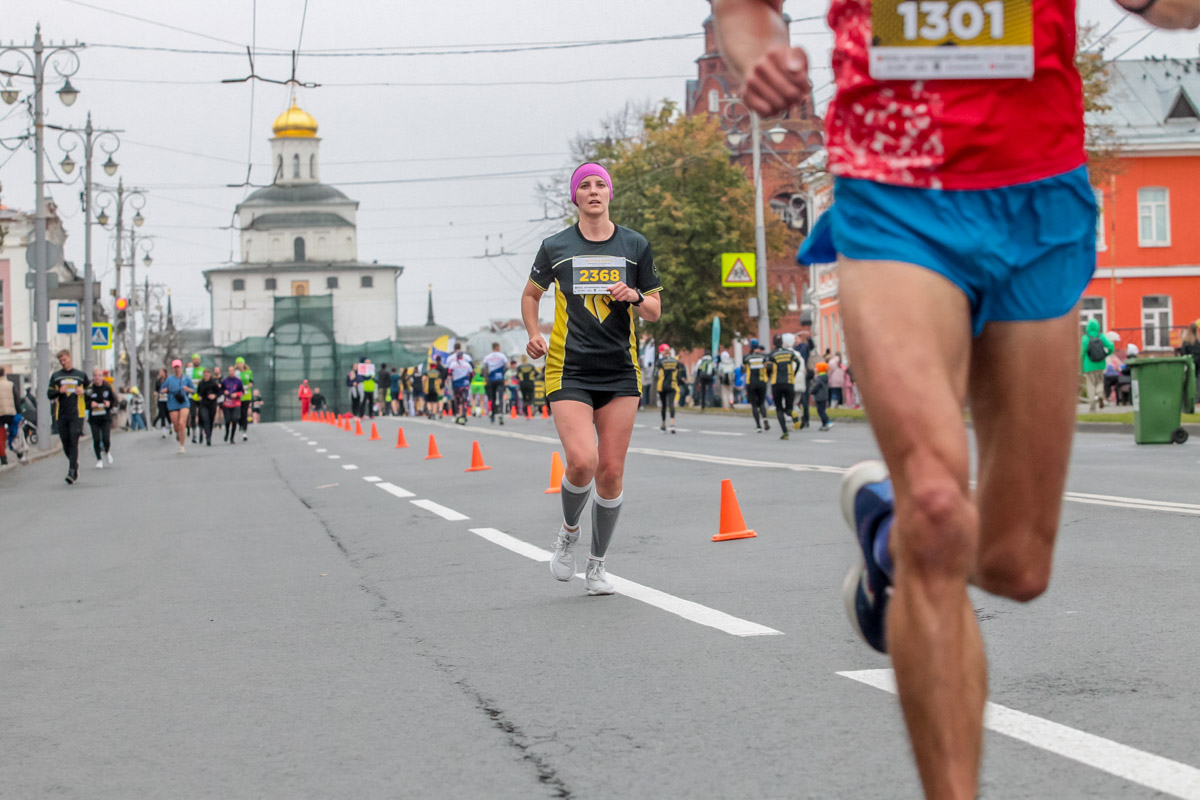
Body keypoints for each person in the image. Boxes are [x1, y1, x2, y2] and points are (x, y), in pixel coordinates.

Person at [712, 1, 1199, 796]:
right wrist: (762, 49)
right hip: (894, 195)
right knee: (939, 508)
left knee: (1015, 564)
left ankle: (886, 534)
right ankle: (913, 533)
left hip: (1037, 198)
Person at [522, 161, 663, 596]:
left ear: (610, 194)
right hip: (569, 368)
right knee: (582, 461)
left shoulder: (634, 245)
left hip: (620, 369)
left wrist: (635, 295)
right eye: (585, 185)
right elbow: (531, 295)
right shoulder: (556, 246)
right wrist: (533, 333)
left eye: (601, 184)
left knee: (611, 471)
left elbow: (654, 309)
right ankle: (568, 534)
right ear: (576, 197)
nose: (594, 190)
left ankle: (597, 565)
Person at [47, 349, 89, 484]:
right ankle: (74, 463)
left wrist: (84, 391)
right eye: (60, 361)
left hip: (77, 413)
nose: (62, 363)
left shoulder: (80, 375)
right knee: (65, 442)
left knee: (74, 439)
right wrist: (59, 391)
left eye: (64, 360)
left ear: (70, 357)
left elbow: (92, 390)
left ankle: (71, 471)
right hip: (61, 414)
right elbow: (49, 394)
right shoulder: (56, 376)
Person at [767, 334, 800, 440]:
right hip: (789, 382)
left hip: (776, 384)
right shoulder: (790, 353)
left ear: (773, 343)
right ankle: (792, 413)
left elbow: (768, 366)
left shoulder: (772, 354)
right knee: (788, 408)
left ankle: (785, 433)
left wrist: (769, 375)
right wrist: (794, 373)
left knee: (779, 409)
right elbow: (798, 362)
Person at [85, 366, 117, 469]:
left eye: (99, 376)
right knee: (96, 439)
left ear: (102, 377)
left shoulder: (107, 387)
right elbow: (85, 402)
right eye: (95, 376)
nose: (97, 378)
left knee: (106, 438)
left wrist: (109, 403)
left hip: (105, 417)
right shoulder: (90, 389)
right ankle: (99, 459)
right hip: (94, 418)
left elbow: (114, 401)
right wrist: (91, 404)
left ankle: (107, 452)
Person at [161, 359, 194, 454]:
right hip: (173, 403)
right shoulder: (169, 379)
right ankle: (177, 432)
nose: (176, 369)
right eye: (175, 367)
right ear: (173, 368)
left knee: (182, 423)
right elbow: (162, 389)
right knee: (176, 425)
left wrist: (188, 389)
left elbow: (193, 390)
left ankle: (182, 446)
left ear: (181, 367)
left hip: (184, 403)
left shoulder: (186, 378)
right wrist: (165, 390)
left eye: (178, 367)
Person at [1081, 320, 1114, 412]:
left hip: (1088, 366)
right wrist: (1106, 354)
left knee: (1090, 385)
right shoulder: (1101, 336)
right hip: (1100, 365)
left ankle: (1092, 406)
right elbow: (1111, 347)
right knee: (1100, 382)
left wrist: (1081, 368)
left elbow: (1082, 353)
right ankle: (1100, 394)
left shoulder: (1085, 338)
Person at [743, 340, 771, 433]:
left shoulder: (747, 357)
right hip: (762, 382)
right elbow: (769, 367)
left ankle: (758, 426)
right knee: (762, 403)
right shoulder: (764, 357)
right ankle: (765, 418)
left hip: (750, 382)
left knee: (754, 405)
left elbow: (743, 369)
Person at [655, 344, 681, 433]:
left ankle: (663, 424)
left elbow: (656, 373)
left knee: (663, 405)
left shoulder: (660, 361)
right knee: (671, 404)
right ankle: (672, 424)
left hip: (662, 386)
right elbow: (678, 372)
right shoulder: (675, 361)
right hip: (672, 385)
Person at [481, 342, 508, 425]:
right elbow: (506, 366)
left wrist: (486, 377)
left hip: (491, 379)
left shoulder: (487, 357)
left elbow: (484, 368)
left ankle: (492, 415)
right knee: (500, 397)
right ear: (498, 347)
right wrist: (503, 372)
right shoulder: (502, 356)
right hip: (500, 378)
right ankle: (500, 413)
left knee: (492, 398)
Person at [446, 344, 474, 424]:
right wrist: (469, 381)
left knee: (457, 401)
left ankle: (458, 414)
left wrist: (450, 382)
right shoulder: (467, 363)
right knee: (464, 400)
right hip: (465, 384)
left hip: (456, 385)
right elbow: (472, 373)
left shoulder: (452, 363)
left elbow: (449, 374)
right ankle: (464, 415)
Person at [196, 368, 221, 446]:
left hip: (212, 404)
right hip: (203, 404)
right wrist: (199, 396)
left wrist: (214, 396)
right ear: (203, 375)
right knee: (205, 419)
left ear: (210, 375)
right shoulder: (201, 383)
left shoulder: (213, 383)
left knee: (210, 420)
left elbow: (219, 392)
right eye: (205, 375)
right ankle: (208, 438)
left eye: (207, 375)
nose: (206, 376)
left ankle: (209, 435)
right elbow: (198, 392)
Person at [0, 366, 19, 466]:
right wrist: (19, 412)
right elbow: (17, 399)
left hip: (0, 415)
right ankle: (17, 450)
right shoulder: (10, 384)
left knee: (1, 437)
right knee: (14, 433)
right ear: (4, 373)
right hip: (11, 413)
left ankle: (3, 458)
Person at [221, 366, 245, 443]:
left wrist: (237, 394)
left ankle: (232, 437)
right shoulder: (225, 381)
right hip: (227, 403)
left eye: (232, 371)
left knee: (235, 419)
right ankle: (227, 432)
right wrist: (224, 392)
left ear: (234, 372)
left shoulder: (238, 381)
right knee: (227, 420)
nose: (231, 372)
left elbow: (242, 392)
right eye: (229, 371)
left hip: (236, 403)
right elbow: (220, 390)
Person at [811, 361, 834, 432]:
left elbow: (816, 386)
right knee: (822, 410)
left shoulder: (819, 378)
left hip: (820, 396)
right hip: (823, 396)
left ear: (819, 369)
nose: (815, 369)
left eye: (816, 367)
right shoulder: (824, 377)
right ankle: (824, 425)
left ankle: (827, 421)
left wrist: (812, 391)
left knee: (820, 411)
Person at [187, 355, 204, 443]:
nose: (196, 361)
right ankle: (194, 434)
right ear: (193, 361)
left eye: (197, 359)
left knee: (201, 415)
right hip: (192, 396)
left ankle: (201, 432)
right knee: (193, 415)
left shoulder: (203, 370)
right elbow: (186, 382)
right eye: (195, 359)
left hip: (201, 396)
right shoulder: (188, 371)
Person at [236, 357, 253, 440]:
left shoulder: (249, 372)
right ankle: (240, 425)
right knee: (238, 414)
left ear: (243, 364)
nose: (240, 365)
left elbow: (251, 382)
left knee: (244, 413)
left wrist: (246, 387)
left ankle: (244, 432)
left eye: (241, 363)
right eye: (238, 363)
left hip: (246, 395)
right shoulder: (236, 373)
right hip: (238, 396)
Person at [153, 368, 171, 437]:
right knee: (162, 414)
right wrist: (155, 393)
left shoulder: (168, 380)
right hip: (160, 400)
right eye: (159, 372)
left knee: (168, 414)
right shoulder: (158, 381)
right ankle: (163, 430)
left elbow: (172, 388)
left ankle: (171, 426)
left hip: (168, 400)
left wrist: (167, 390)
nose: (160, 373)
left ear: (165, 373)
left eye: (161, 372)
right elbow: (156, 390)